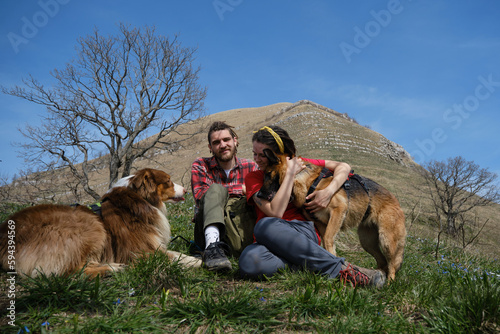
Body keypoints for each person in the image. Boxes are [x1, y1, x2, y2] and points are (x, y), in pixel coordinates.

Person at [238, 125, 386, 288]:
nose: (256, 159)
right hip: (268, 240)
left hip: (301, 232)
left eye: (262, 155)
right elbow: (275, 211)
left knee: (264, 225)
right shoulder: (253, 177)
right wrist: (289, 175)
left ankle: (347, 271)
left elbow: (343, 166)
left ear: (280, 156)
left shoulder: (304, 165)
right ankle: (313, 265)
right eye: (254, 154)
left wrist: (329, 191)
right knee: (248, 262)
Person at [191, 121, 258, 271]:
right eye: (216, 142)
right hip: (207, 231)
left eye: (226, 140)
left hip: (240, 229)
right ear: (210, 147)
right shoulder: (201, 165)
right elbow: (201, 195)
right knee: (214, 191)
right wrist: (242, 189)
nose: (222, 145)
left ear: (235, 140)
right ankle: (211, 248)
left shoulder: (251, 167)